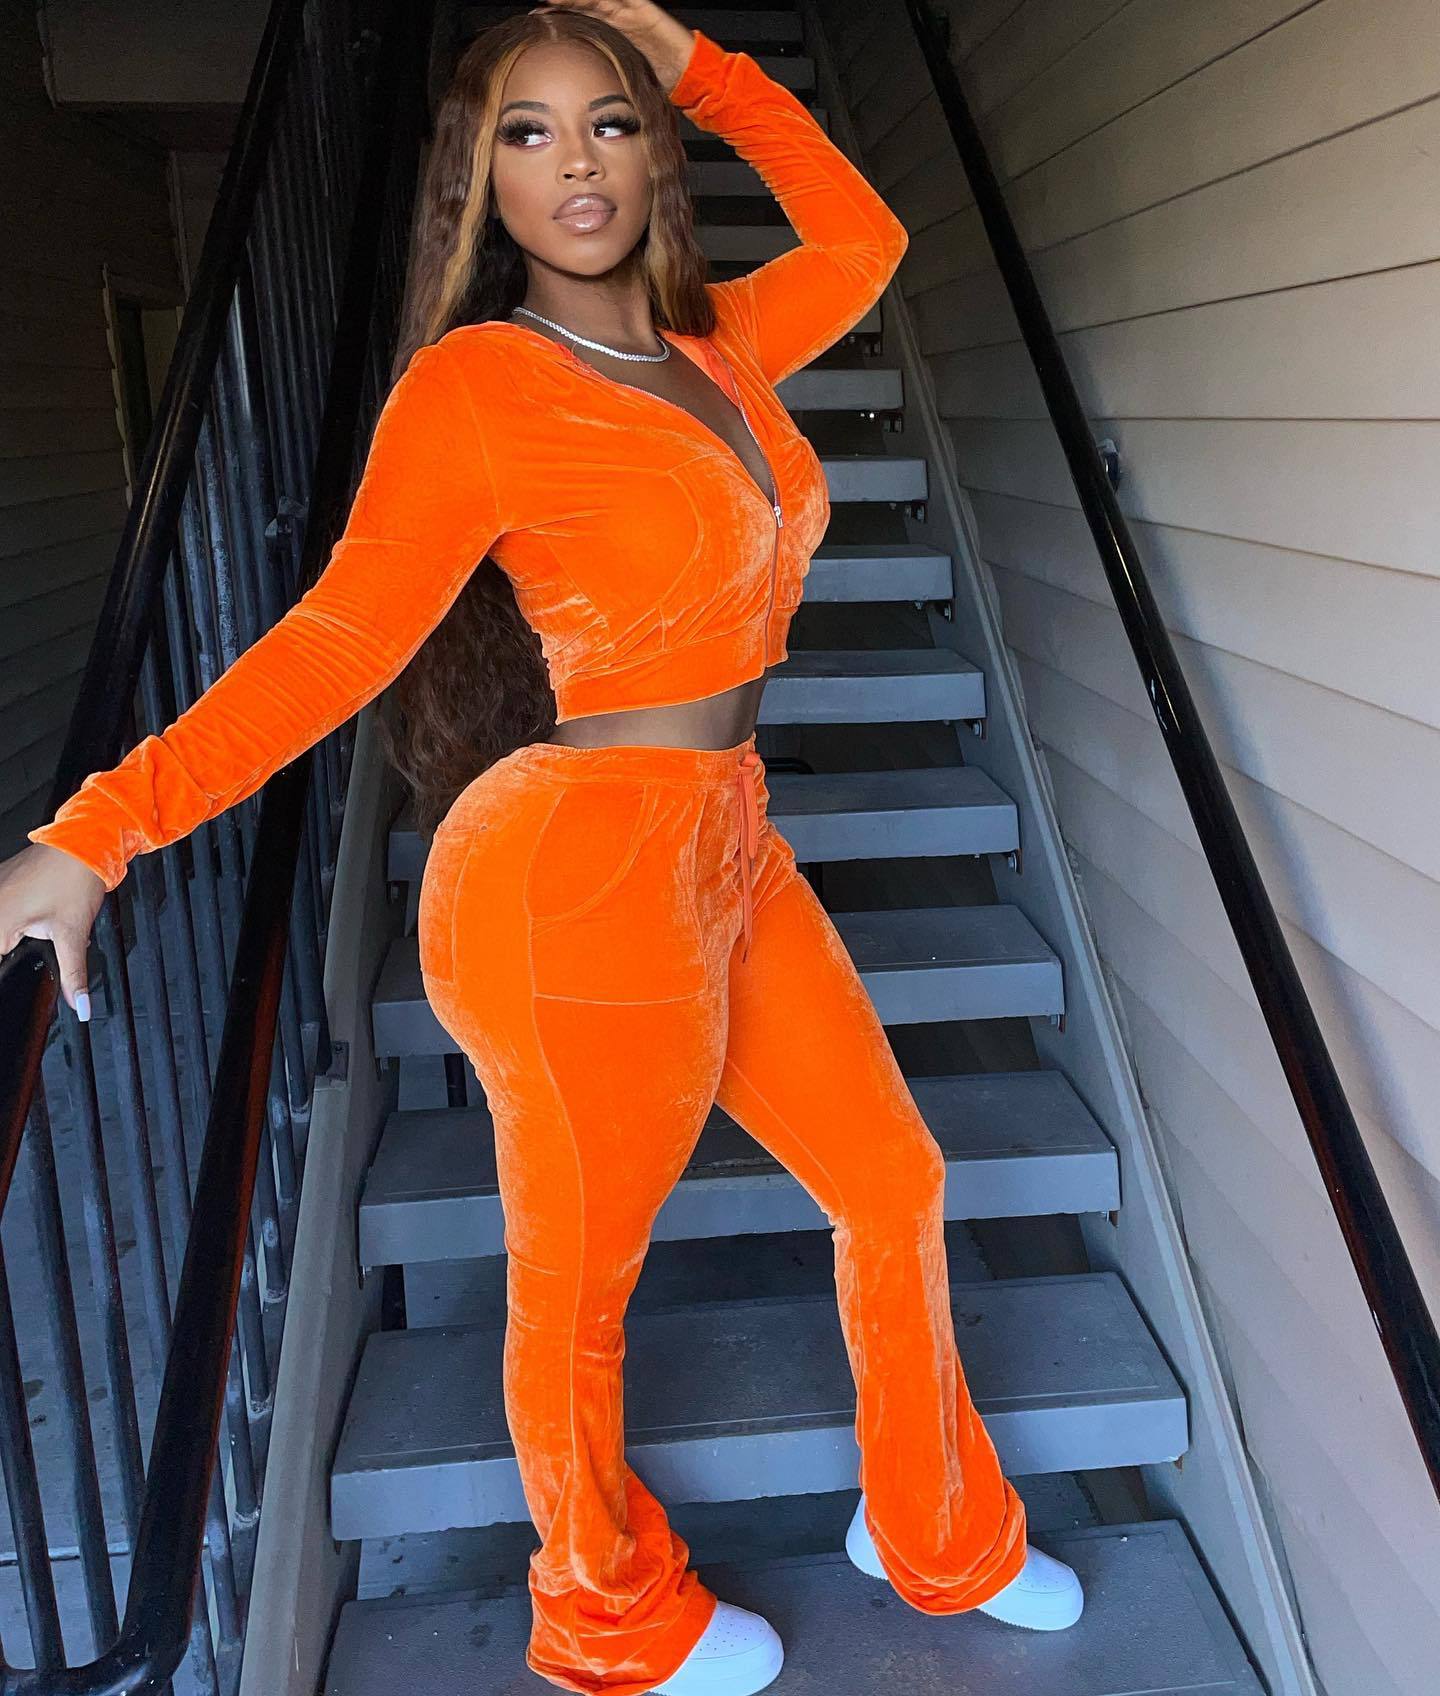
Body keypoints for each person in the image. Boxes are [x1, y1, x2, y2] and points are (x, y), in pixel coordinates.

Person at [0, 4, 1083, 1692]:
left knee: (895, 1181)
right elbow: (338, 641)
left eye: (609, 122)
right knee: (579, 1289)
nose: (575, 163)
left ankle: (936, 1529)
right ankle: (606, 1616)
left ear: (654, 155)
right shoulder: (480, 386)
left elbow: (866, 240)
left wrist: (707, 67)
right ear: (482, 182)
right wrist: (100, 829)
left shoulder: (720, 343)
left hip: (728, 842)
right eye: (527, 131)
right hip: (574, 880)